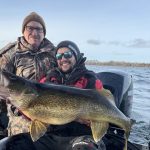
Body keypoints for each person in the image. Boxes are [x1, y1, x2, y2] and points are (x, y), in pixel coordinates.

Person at [0, 11, 56, 148]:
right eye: (30, 28)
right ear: (23, 30)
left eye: (39, 29)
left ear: (44, 32)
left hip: (51, 117)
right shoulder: (11, 53)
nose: (34, 32)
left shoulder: (54, 53)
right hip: (21, 119)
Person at [39, 40, 107, 150]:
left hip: (82, 136)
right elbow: (33, 108)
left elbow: (104, 108)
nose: (63, 59)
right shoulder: (46, 80)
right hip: (52, 135)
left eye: (67, 54)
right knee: (10, 144)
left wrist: (89, 119)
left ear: (76, 56)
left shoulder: (91, 80)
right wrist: (17, 106)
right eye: (59, 56)